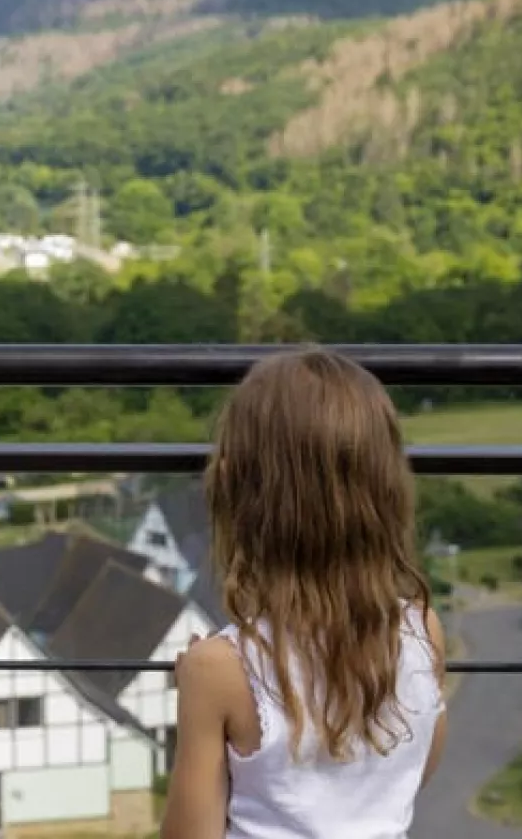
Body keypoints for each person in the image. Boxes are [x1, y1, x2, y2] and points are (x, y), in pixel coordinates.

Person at [160, 348, 448, 839]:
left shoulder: (218, 669)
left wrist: (194, 687)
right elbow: (417, 766)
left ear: (239, 497)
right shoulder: (423, 630)